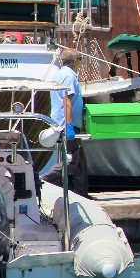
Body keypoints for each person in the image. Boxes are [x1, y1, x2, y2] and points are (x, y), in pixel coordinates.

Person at [41, 48, 89, 197]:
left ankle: (81, 194)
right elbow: (67, 101)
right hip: (66, 124)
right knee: (71, 161)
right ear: (75, 61)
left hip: (59, 123)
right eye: (80, 60)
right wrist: (69, 126)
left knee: (79, 161)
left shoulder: (59, 75)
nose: (80, 64)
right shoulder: (69, 76)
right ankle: (43, 181)